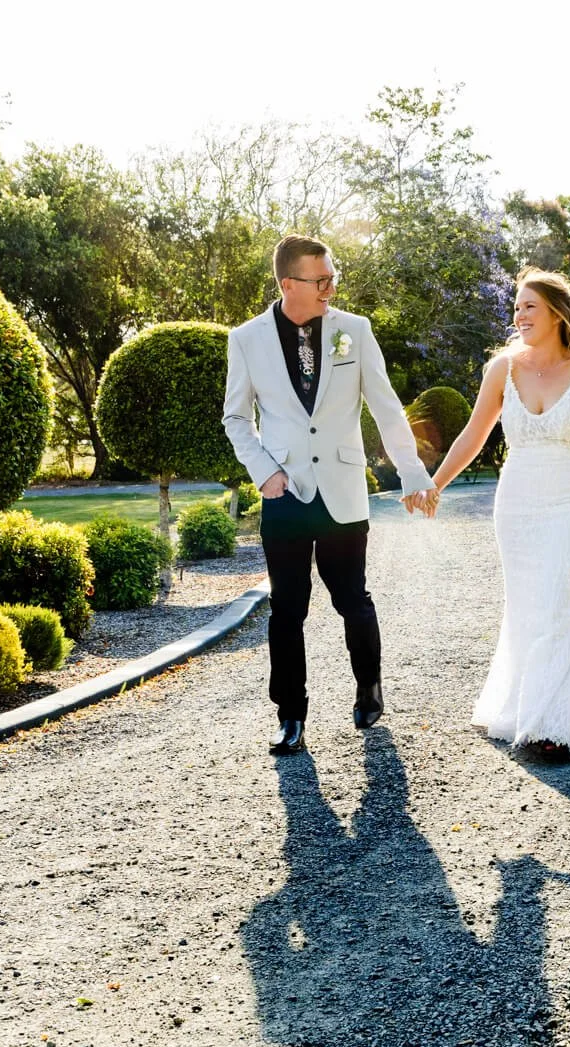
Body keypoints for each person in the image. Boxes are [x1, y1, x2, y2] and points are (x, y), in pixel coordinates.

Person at [222, 234, 438, 756]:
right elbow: (236, 417)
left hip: (342, 489)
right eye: (321, 280)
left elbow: (386, 407)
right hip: (285, 493)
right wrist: (265, 473)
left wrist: (411, 470)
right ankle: (290, 715)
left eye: (332, 277)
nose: (331, 287)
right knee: (286, 609)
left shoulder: (355, 331)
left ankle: (369, 685)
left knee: (352, 599)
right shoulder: (246, 339)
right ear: (287, 283)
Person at [420, 269, 570, 759]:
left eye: (529, 305)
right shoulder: (502, 368)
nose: (519, 315)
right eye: (516, 306)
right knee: (529, 604)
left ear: (557, 312)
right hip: (517, 503)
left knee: (556, 601)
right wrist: (435, 484)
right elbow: (473, 435)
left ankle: (551, 726)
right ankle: (534, 704)